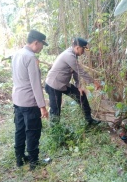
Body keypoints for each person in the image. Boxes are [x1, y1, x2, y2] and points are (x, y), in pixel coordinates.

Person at [11, 29, 49, 170]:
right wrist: (42, 106)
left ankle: (19, 159)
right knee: (32, 131)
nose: (42, 48)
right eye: (42, 45)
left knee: (20, 130)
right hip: (29, 101)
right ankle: (34, 161)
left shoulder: (17, 54)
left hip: (17, 100)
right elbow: (35, 84)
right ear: (35, 43)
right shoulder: (31, 57)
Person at [45, 37, 101, 126]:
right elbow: (80, 71)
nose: (83, 52)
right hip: (53, 85)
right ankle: (54, 132)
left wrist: (78, 86)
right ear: (77, 47)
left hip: (63, 84)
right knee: (55, 111)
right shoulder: (68, 55)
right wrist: (94, 82)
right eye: (83, 49)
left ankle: (89, 120)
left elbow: (75, 72)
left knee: (81, 95)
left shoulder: (73, 55)